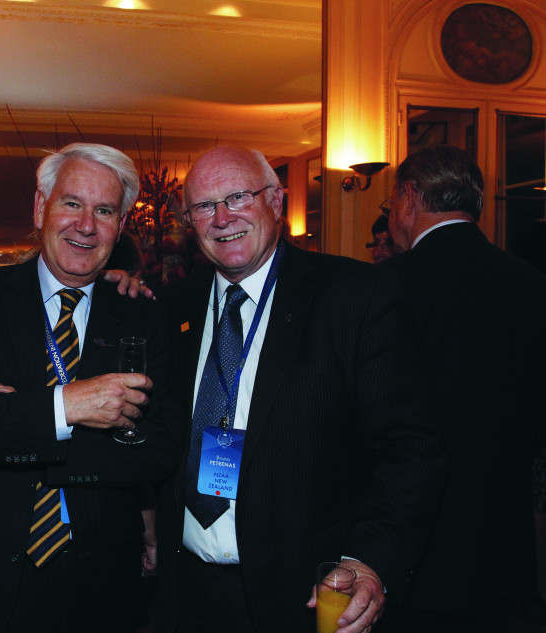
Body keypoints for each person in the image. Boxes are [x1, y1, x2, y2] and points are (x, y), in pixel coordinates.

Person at [154, 146, 444, 633]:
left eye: (238, 197)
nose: (222, 218)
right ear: (189, 222)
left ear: (276, 200)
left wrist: (370, 560)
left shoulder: (355, 296)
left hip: (306, 595)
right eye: (204, 206)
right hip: (188, 595)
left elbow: (412, 446)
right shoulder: (173, 306)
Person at [0, 142, 180, 633]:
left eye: (104, 210)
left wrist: (19, 413)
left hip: (107, 582)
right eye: (71, 203)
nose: (86, 225)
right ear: (40, 206)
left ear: (120, 225)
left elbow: (157, 450)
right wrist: (64, 407)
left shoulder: (145, 316)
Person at [381, 145, 546, 633]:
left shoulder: (388, 286)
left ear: (410, 197)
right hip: (506, 540)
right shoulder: (532, 284)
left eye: (390, 203)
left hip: (415, 541)